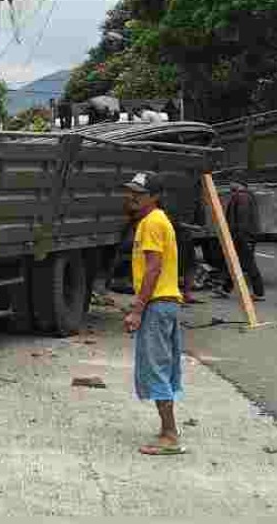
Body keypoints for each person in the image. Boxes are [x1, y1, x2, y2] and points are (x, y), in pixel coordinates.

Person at [120, 171, 186, 456]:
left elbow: (153, 268)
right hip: (166, 304)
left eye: (140, 193)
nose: (132, 196)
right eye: (131, 191)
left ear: (155, 197)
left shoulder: (151, 223)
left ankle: (170, 435)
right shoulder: (157, 221)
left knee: (156, 367)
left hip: (157, 305)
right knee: (164, 367)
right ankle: (167, 430)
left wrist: (137, 309)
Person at [221, 173, 266, 301]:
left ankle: (258, 292)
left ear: (237, 183)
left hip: (243, 236)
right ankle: (225, 288)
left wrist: (239, 236)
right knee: (235, 262)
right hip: (244, 236)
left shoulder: (242, 197)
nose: (229, 185)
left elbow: (242, 219)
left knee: (248, 264)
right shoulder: (244, 196)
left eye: (231, 182)